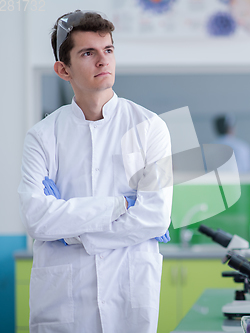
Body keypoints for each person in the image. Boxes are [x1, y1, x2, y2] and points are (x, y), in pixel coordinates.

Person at [17, 11, 172, 333]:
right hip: (63, 298)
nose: (103, 61)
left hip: (128, 289)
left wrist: (70, 231)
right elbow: (36, 218)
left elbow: (155, 217)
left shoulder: (150, 127)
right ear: (63, 69)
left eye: (109, 50)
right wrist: (120, 205)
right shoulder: (43, 136)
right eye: (88, 53)